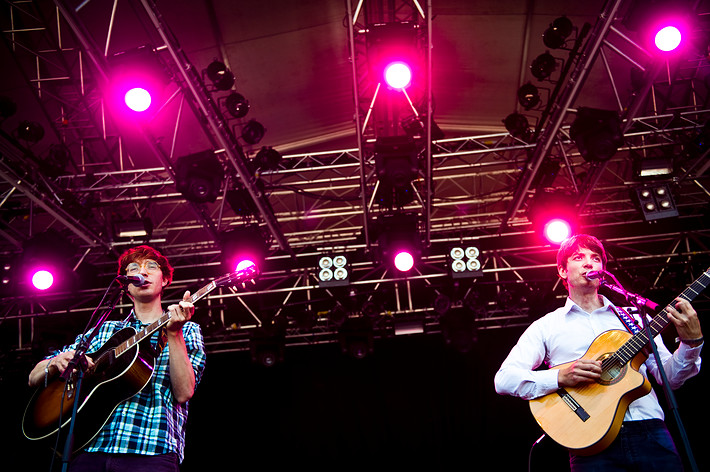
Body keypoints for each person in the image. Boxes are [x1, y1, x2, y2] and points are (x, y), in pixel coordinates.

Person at [494, 234, 703, 471]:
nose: (589, 263)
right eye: (578, 257)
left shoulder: (634, 317)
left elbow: (671, 378)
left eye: (596, 258)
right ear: (562, 271)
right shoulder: (547, 326)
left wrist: (691, 343)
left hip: (650, 432)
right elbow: (504, 379)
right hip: (590, 440)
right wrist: (561, 376)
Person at [28, 245, 207, 471]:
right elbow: (34, 376)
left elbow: (183, 393)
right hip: (90, 450)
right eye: (134, 268)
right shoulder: (104, 330)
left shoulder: (187, 331)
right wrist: (57, 361)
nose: (143, 272)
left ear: (165, 280)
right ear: (127, 287)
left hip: (151, 451)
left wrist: (174, 333)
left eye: (152, 267)